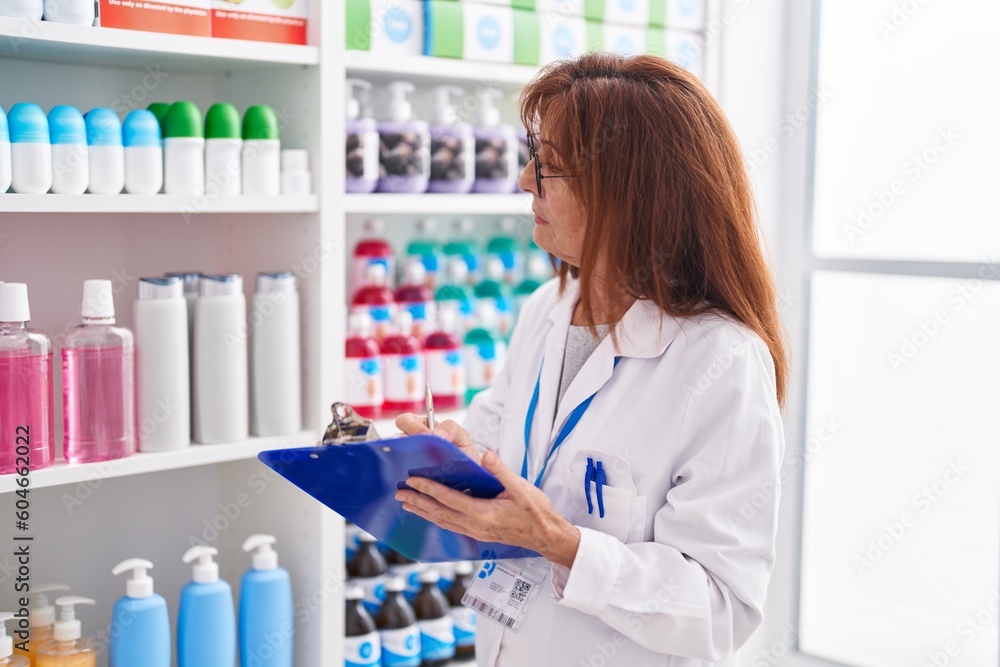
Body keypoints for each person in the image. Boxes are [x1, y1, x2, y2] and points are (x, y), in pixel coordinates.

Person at [394, 52, 788, 666]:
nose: (525, 180)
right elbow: (502, 446)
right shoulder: (543, 311)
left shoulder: (722, 361)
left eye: (548, 167)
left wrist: (561, 545)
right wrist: (451, 457)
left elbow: (720, 609)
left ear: (629, 194)